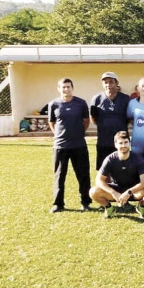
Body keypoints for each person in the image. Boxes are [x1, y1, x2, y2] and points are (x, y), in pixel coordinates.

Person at [89, 131, 144, 219]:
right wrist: (113, 192)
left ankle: (141, 206)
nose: (123, 145)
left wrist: (129, 192)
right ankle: (109, 208)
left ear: (129, 143)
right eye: (120, 143)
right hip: (117, 189)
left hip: (134, 191)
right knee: (93, 192)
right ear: (115, 145)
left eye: (126, 142)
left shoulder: (137, 158)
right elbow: (99, 180)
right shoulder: (110, 159)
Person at [48, 78, 91, 213]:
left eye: (68, 87)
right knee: (59, 176)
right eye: (63, 87)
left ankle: (86, 202)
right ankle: (58, 204)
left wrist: (78, 133)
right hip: (60, 146)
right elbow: (52, 122)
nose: (66, 89)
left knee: (83, 175)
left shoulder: (81, 103)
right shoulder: (53, 104)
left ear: (72, 88)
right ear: (58, 88)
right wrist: (58, 135)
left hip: (79, 145)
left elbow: (86, 121)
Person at [90, 72, 130, 174]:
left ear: (116, 83)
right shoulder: (97, 99)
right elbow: (93, 118)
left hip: (121, 142)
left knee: (122, 170)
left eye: (111, 82)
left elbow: (129, 117)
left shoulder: (125, 99)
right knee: (104, 171)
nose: (108, 85)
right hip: (103, 141)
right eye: (105, 82)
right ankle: (106, 190)